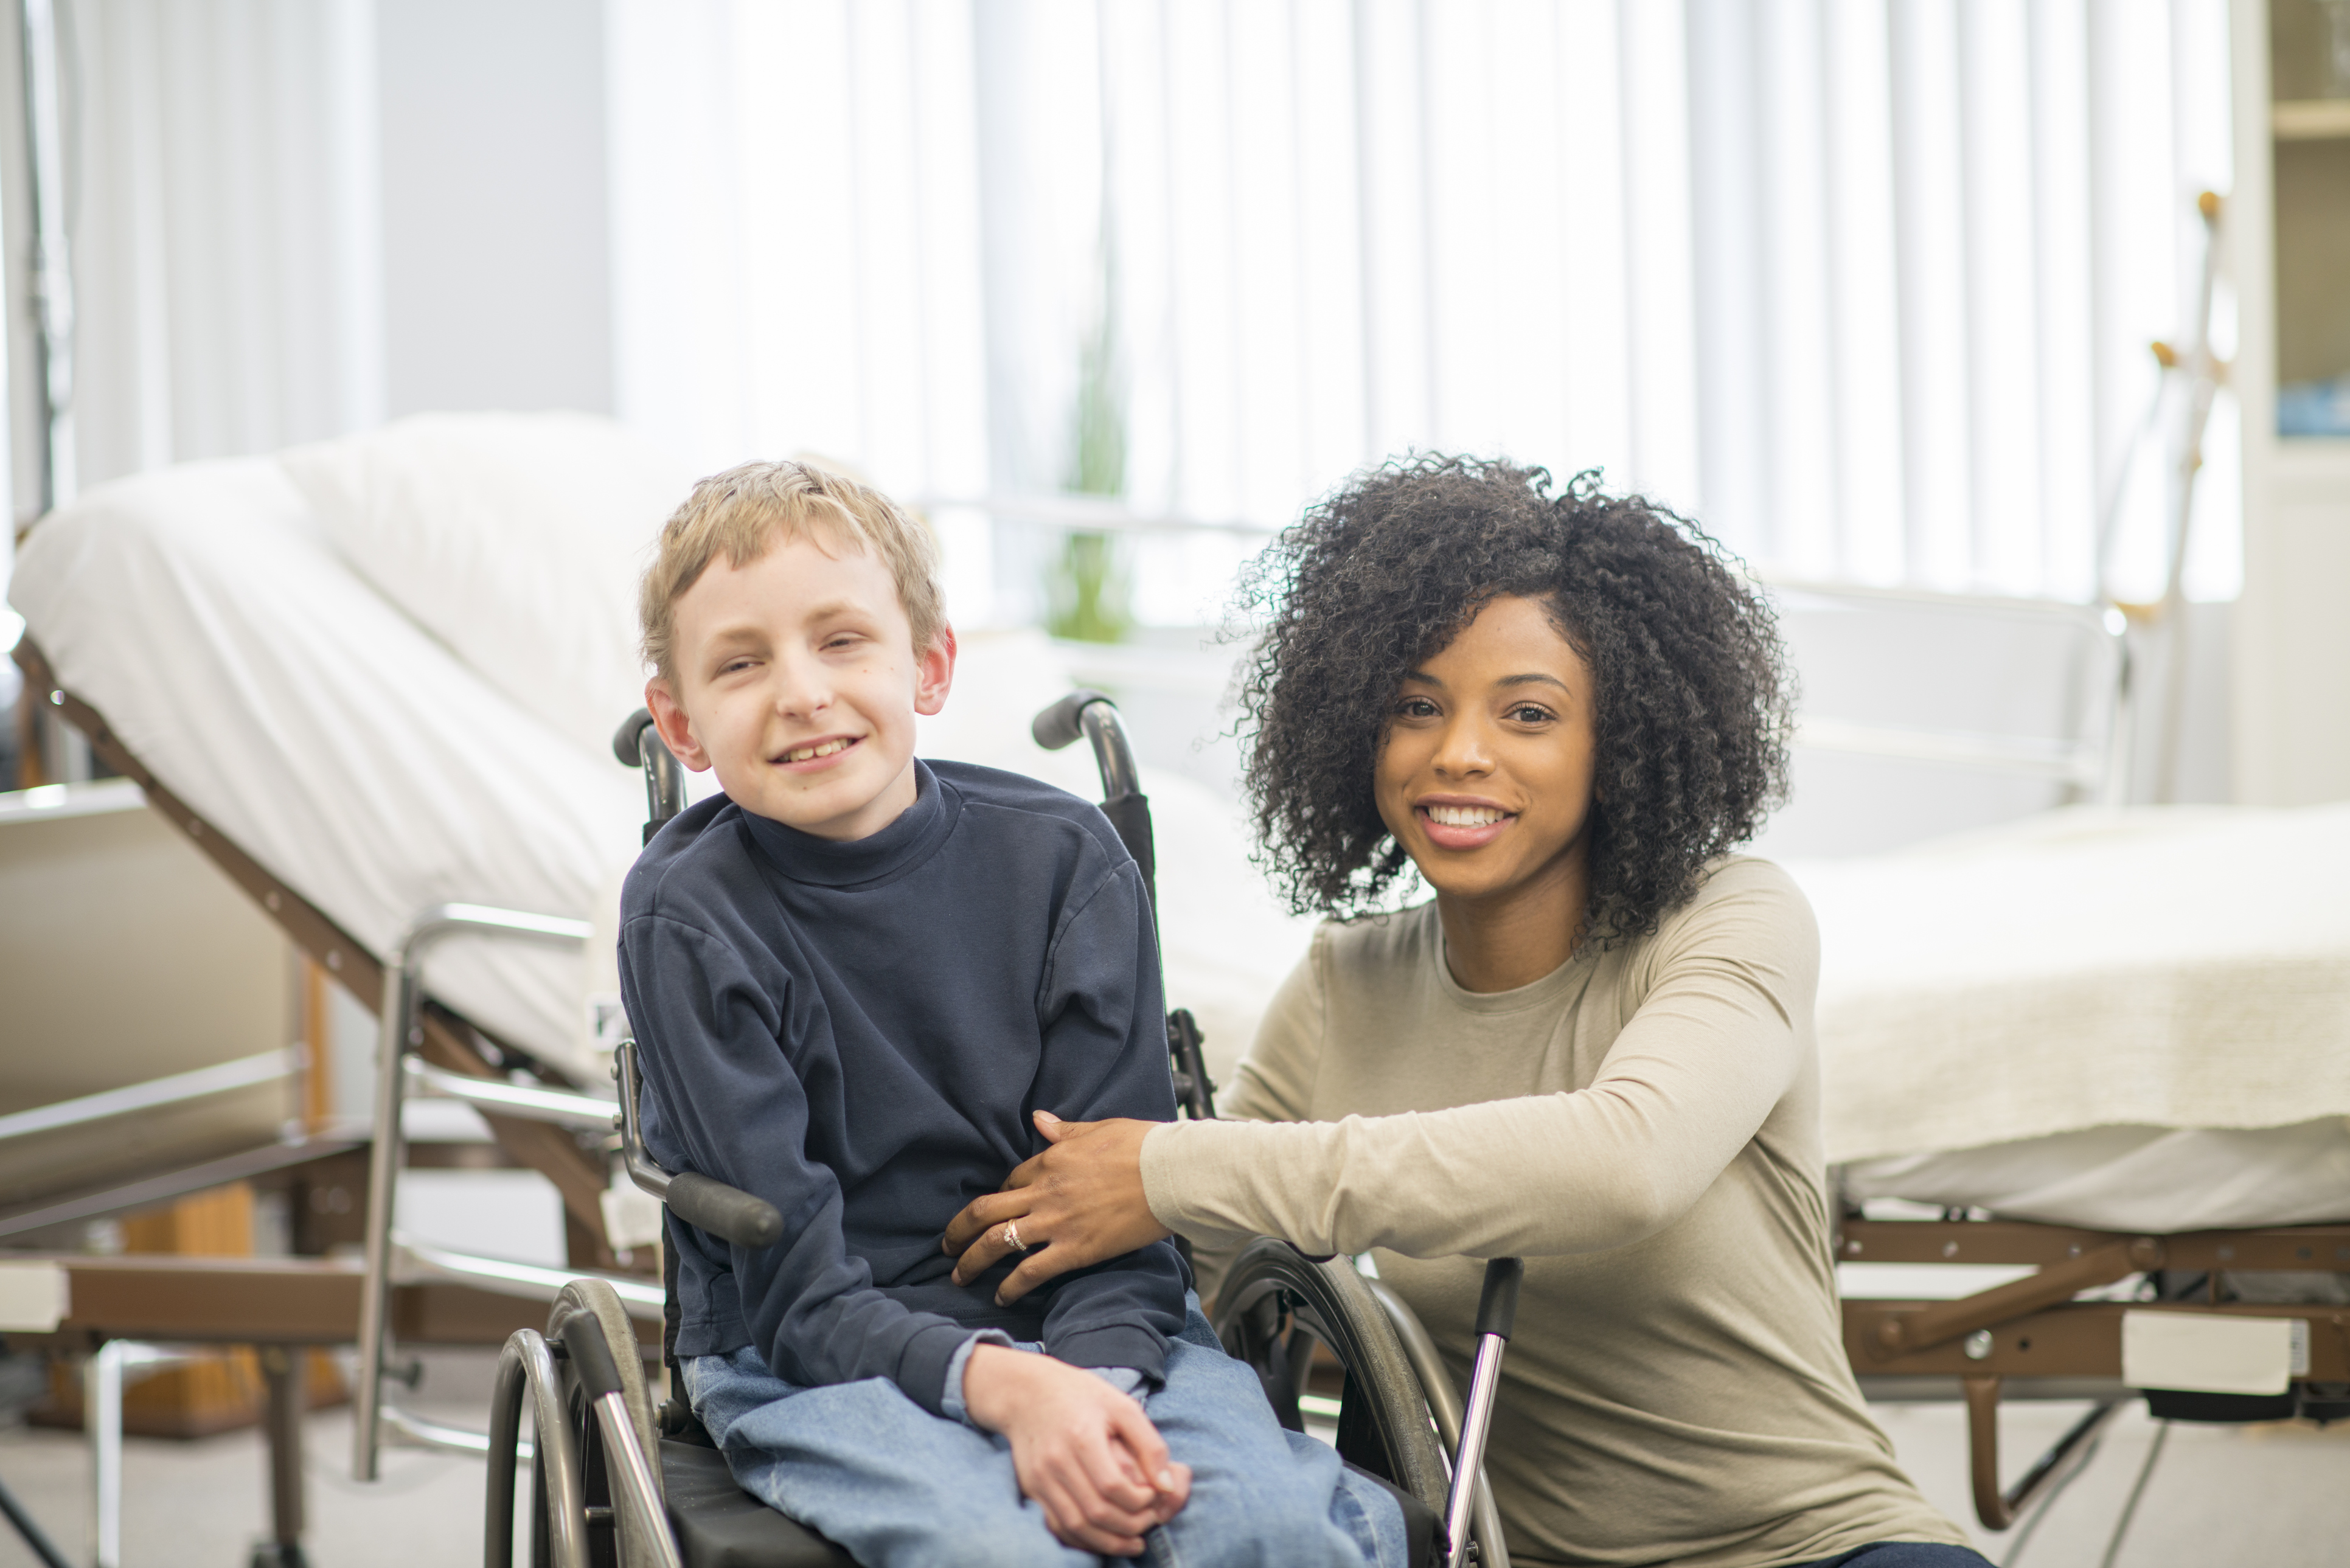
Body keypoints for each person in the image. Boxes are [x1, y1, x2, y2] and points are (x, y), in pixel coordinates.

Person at [945, 457, 1992, 1567]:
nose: (1459, 753)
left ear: (1620, 738)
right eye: (1416, 706)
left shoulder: (1733, 919)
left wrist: (1165, 1168)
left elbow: (1623, 1161)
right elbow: (1201, 1275)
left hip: (1819, 1546)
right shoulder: (1345, 985)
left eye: (1529, 712)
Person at [619, 460, 1411, 1568]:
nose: (800, 691)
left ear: (932, 665)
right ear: (682, 721)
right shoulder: (689, 917)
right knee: (1009, 1551)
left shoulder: (1061, 864)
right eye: (741, 664)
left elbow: (1119, 1201)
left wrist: (1087, 1394)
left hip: (1096, 1324)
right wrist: (1011, 1391)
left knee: (1271, 1530)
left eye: (842, 640)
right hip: (807, 1351)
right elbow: (795, 1294)